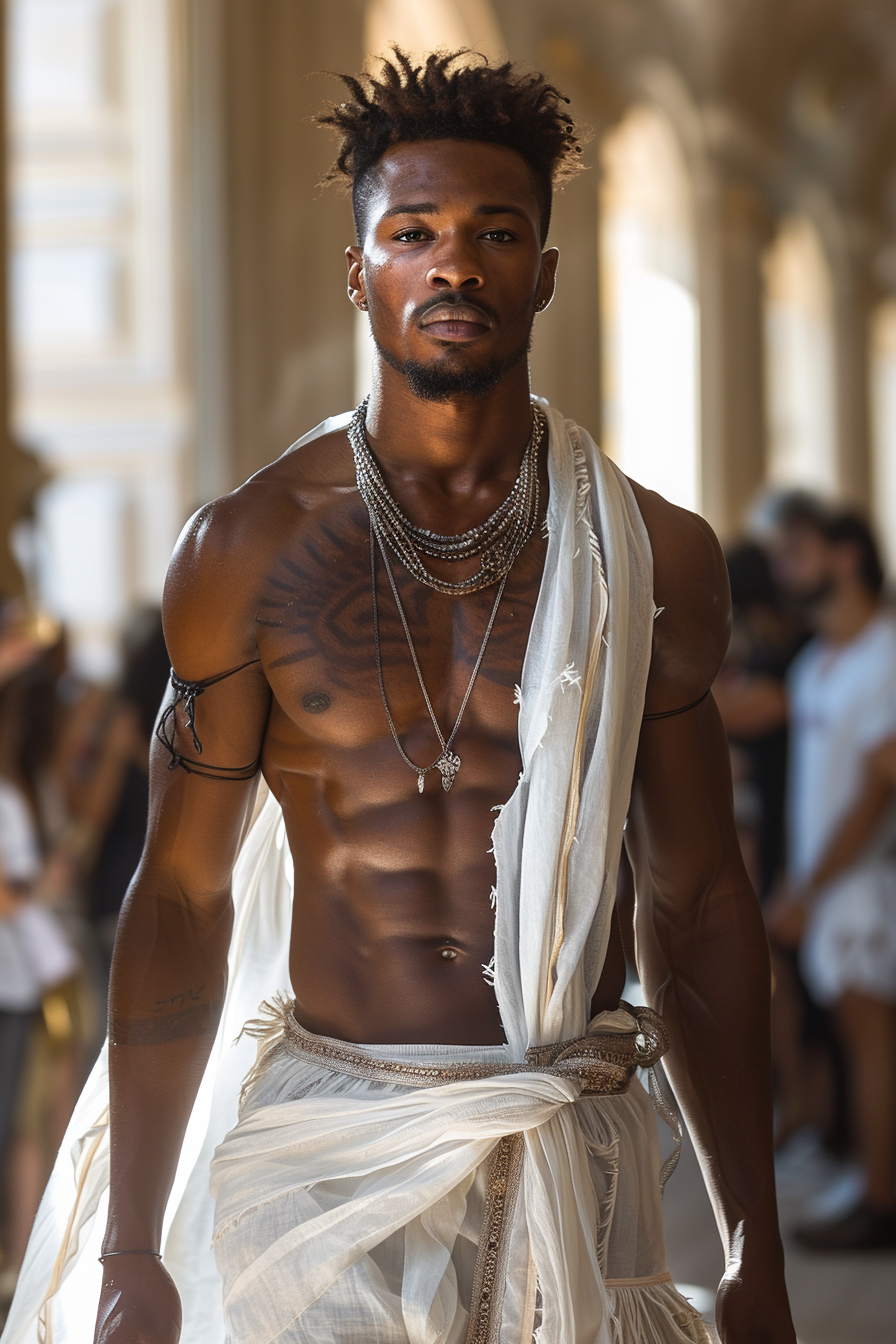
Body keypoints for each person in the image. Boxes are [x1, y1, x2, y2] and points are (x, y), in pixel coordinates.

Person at [5, 51, 795, 1344]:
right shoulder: (246, 552)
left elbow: (697, 901)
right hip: (317, 1172)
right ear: (361, 268)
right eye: (412, 233)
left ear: (545, 269)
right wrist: (132, 1242)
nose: (455, 266)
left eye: (497, 233)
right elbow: (184, 896)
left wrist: (753, 1241)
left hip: (565, 1155)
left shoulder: (651, 560)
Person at [765, 501, 896, 1250]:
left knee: (869, 1034)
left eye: (799, 553)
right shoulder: (817, 661)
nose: (786, 570)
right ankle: (867, 1175)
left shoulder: (885, 652)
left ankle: (880, 1196)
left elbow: (877, 790)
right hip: (822, 884)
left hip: (862, 881)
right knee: (849, 1036)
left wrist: (811, 891)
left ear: (846, 557)